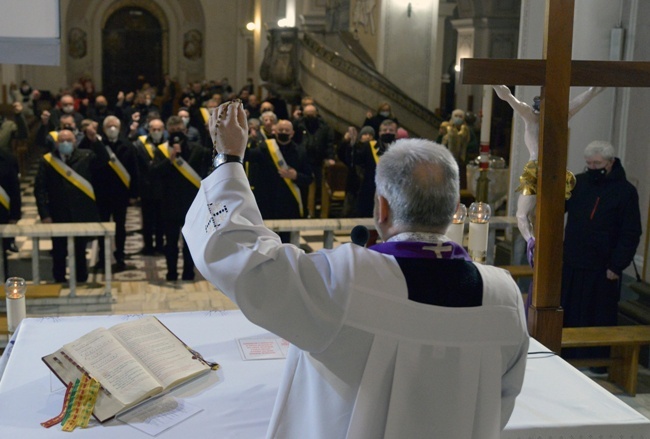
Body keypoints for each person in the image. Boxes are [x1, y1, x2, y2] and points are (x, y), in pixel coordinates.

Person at [183, 101, 528, 438]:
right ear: (454, 208)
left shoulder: (348, 281)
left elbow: (236, 254)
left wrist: (227, 159)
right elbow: (498, 404)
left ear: (382, 208)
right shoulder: (504, 296)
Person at [493, 85, 604, 263]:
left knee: (523, 214)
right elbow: (590, 93)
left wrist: (494, 82)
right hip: (554, 170)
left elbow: (508, 97)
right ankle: (535, 243)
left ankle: (533, 241)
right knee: (538, 215)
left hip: (539, 169)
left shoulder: (531, 115)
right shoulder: (557, 115)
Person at [561, 140, 641, 360]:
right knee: (570, 311)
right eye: (589, 164)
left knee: (596, 314)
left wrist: (617, 265)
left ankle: (596, 360)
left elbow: (630, 232)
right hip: (573, 262)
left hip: (603, 267)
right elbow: (558, 206)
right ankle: (566, 355)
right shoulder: (578, 183)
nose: (593, 168)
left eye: (598, 163)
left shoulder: (625, 192)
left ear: (611, 162)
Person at [34, 128, 104, 283]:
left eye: (69, 140)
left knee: (80, 250)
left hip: (80, 213)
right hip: (58, 213)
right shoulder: (48, 160)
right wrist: (45, 215)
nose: (65, 143)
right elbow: (40, 189)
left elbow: (103, 161)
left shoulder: (85, 156)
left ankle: (81, 279)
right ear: (57, 143)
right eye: (61, 141)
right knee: (59, 251)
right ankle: (59, 280)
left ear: (75, 142)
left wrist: (95, 141)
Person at [151, 116, 211, 281]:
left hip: (190, 204)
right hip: (168, 203)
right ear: (167, 132)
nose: (177, 135)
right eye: (173, 132)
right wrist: (170, 159)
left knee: (189, 243)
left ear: (185, 131)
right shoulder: (161, 151)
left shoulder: (197, 149)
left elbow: (212, 159)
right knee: (170, 243)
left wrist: (210, 133)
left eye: (179, 131)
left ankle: (188, 273)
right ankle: (171, 273)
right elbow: (154, 172)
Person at [244, 119, 313, 242]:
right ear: (275, 131)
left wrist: (296, 175)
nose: (284, 132)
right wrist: (247, 139)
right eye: (281, 130)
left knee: (287, 244)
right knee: (266, 242)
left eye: (287, 130)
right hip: (267, 203)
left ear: (292, 133)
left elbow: (309, 178)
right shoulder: (266, 148)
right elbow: (247, 156)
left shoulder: (300, 152)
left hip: (288, 205)